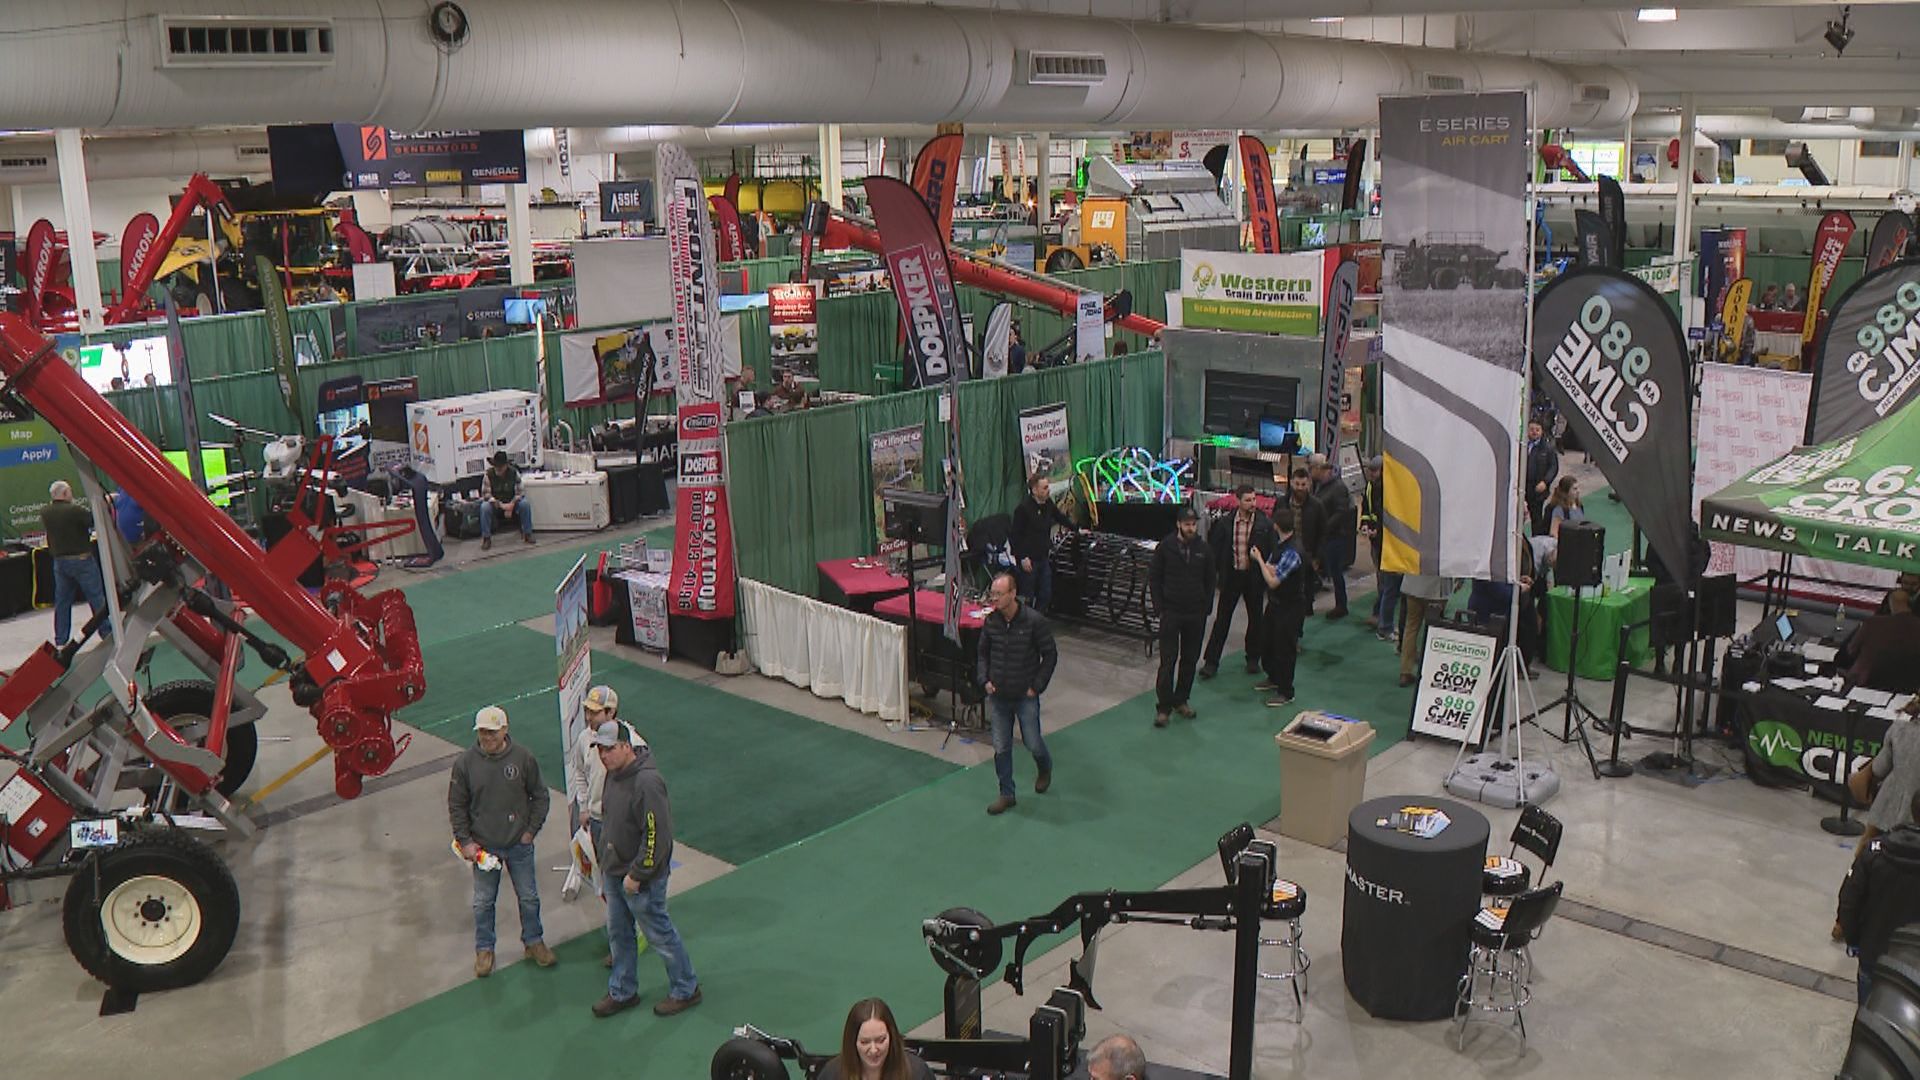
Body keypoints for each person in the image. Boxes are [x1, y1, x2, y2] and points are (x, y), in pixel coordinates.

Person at [592, 721, 702, 1018]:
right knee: (619, 934)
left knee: (660, 935)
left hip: (640, 878)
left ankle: (686, 989)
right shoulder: (613, 776)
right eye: (600, 749)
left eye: (610, 749)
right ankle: (622, 991)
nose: (604, 755)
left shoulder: (648, 782)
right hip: (615, 872)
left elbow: (657, 835)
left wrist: (638, 874)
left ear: (627, 747)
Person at [448, 705, 556, 979]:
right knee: (483, 902)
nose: (487, 738)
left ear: (505, 730)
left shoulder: (523, 758)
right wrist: (466, 842)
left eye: (493, 732)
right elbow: (457, 806)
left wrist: (531, 831)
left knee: (529, 897)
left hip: (519, 845)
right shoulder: (465, 764)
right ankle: (484, 950)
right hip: (484, 848)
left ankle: (534, 942)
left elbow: (540, 796)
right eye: (483, 732)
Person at [977, 571, 1057, 816]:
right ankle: (1006, 794)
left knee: (1033, 742)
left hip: (1025, 696)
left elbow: (1050, 655)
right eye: (993, 594)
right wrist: (985, 680)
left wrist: (1037, 685)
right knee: (1001, 747)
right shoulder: (991, 622)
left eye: (999, 594)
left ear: (1013, 594)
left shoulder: (1034, 621)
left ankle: (1044, 767)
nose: (995, 599)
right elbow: (982, 654)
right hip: (999, 696)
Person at [1838, 791, 1920, 1004]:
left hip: (1874, 958)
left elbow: (1849, 901)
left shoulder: (1873, 852)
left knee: (1871, 1023)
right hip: (1916, 967)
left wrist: (1855, 940)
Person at [1200, 485, 1277, 679]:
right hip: (1232, 576)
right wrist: (1215, 574)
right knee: (1222, 620)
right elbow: (1214, 550)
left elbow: (1271, 551)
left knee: (1255, 620)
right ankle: (1211, 662)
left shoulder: (1264, 524)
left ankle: (1253, 658)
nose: (1253, 504)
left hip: (1254, 579)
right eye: (1248, 500)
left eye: (1254, 499)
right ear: (1238, 501)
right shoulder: (1225, 523)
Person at [1148, 505, 1215, 728]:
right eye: (1187, 524)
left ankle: (1181, 700)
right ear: (1178, 524)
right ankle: (1164, 707)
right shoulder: (1165, 547)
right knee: (1168, 660)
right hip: (1171, 612)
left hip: (1195, 613)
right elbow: (1154, 578)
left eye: (1193, 524)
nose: (1191, 528)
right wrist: (1160, 607)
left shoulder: (1204, 549)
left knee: (1190, 659)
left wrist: (1206, 608)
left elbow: (1210, 580)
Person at [43, 481, 110, 649]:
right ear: (65, 494)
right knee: (96, 598)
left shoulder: (46, 512)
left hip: (60, 563)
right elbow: (92, 520)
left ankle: (61, 639)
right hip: (82, 561)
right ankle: (106, 632)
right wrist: (106, 502)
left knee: (63, 602)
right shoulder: (74, 511)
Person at [1255, 506, 1311, 708]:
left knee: (1285, 648)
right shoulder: (1282, 545)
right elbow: (1273, 569)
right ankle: (1274, 677)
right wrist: (1268, 567)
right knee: (1267, 641)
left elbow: (1272, 581)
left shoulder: (1293, 552)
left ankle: (1286, 691)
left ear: (1275, 525)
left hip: (1290, 607)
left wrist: (1260, 560)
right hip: (1276, 604)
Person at [814, 998, 935, 1080]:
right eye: (865, 1042)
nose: (873, 1050)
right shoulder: (832, 1074)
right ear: (852, 1042)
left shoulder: (917, 1073)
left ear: (892, 1037)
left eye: (880, 1040)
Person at [1010, 474, 1076, 612]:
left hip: (1043, 556)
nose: (1048, 490)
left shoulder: (1048, 504)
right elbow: (1015, 536)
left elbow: (1060, 517)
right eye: (1045, 488)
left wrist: (1077, 529)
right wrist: (1022, 557)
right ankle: (1025, 624)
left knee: (1045, 593)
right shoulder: (1023, 509)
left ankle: (1037, 620)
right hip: (1029, 560)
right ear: (1035, 490)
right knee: (1028, 595)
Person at [1841, 589, 1920, 693]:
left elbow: (1850, 651)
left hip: (1865, 684)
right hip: (1908, 688)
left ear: (1890, 603)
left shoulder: (1873, 623)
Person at [1309, 453, 1356, 620]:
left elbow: (1341, 512)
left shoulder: (1337, 487)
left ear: (1318, 469)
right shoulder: (1321, 485)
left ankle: (1341, 605)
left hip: (1336, 537)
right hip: (1326, 536)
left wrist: (1325, 527)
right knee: (1328, 569)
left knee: (1335, 571)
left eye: (1311, 469)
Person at [1361, 457, 1400, 643]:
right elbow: (1368, 510)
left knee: (1388, 586)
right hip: (1384, 545)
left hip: (1388, 543)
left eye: (1374, 471)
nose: (1371, 474)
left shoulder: (1384, 487)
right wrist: (1368, 525)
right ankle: (1384, 624)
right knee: (1387, 586)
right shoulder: (1373, 487)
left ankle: (1382, 618)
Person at [1398, 573, 1456, 687]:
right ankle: (1433, 671)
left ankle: (1405, 672)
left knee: (1411, 627)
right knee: (1435, 630)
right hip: (1436, 588)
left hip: (1413, 584)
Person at [1284, 466, 1328, 608]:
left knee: (1306, 595)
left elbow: (1323, 534)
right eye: (1297, 484)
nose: (1300, 488)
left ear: (1308, 484)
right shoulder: (1282, 503)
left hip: (1307, 555)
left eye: (1303, 484)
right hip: (1286, 554)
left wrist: (1317, 558)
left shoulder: (1317, 506)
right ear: (1291, 483)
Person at [479, 451, 534, 550]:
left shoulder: (514, 473)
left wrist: (512, 504)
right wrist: (500, 505)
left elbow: (520, 492)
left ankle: (527, 533)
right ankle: (486, 538)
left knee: (525, 504)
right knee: (484, 507)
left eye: (500, 466)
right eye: (496, 466)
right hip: (496, 504)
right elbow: (486, 494)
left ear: (505, 466)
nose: (497, 469)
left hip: (511, 502)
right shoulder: (488, 475)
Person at [1523, 418, 1559, 536]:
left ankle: (1536, 543)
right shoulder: (1523, 446)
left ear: (1542, 431)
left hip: (1538, 490)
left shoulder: (1548, 449)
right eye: (1531, 429)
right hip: (1522, 488)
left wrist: (1545, 482)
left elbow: (1553, 467)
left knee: (1537, 519)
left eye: (1537, 430)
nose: (1534, 432)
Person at [1545, 475, 1586, 540]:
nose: (1578, 491)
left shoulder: (1579, 506)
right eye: (1574, 489)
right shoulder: (1559, 510)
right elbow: (1554, 534)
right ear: (1566, 491)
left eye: (1578, 488)